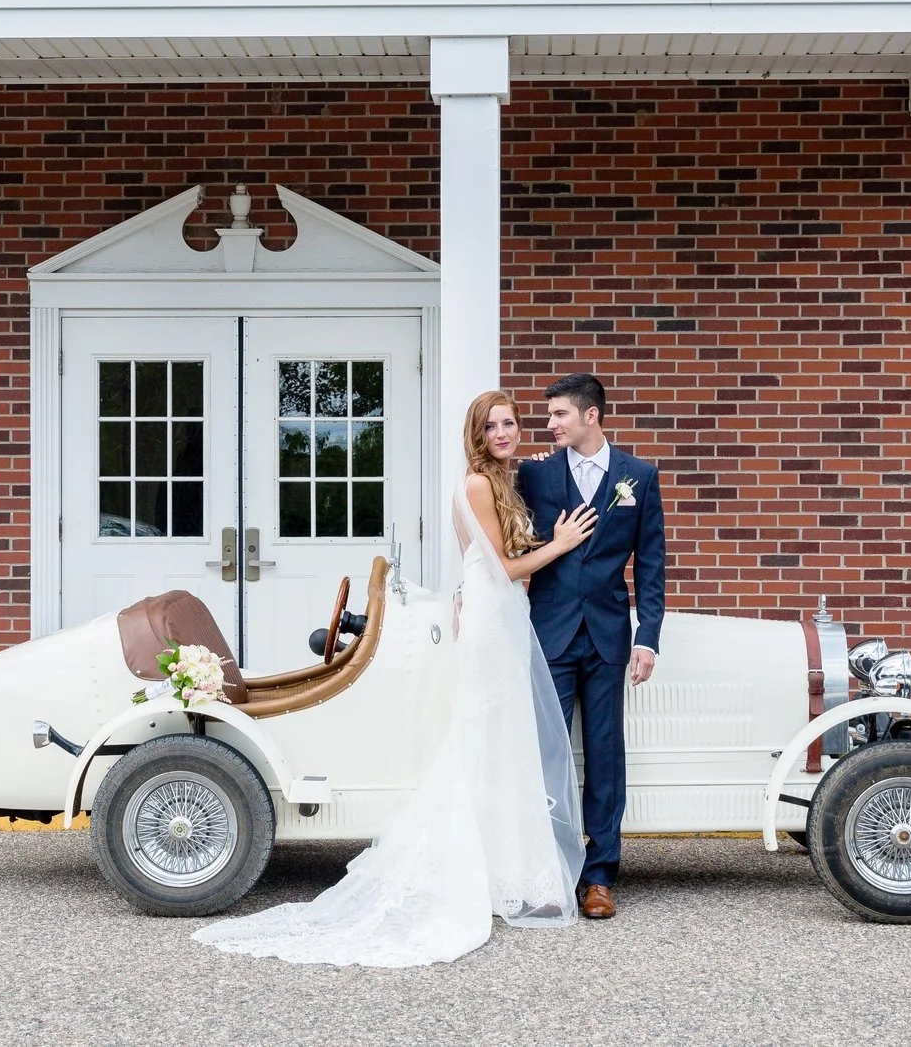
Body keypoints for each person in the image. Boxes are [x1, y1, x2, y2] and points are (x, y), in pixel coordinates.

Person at [192, 391, 594, 967]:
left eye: (510, 423)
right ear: (476, 434)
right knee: (487, 738)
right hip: (492, 616)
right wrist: (559, 545)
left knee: (500, 741)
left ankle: (501, 864)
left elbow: (486, 562)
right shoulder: (479, 484)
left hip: (496, 611)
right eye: (492, 426)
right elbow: (503, 568)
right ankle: (485, 867)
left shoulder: (499, 479)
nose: (504, 433)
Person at [517, 372, 667, 920]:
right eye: (549, 415)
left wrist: (647, 637)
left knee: (605, 757)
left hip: (608, 638)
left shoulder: (639, 478)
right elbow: (501, 539)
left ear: (591, 416)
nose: (550, 423)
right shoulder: (534, 476)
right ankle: (551, 869)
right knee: (547, 757)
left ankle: (600, 876)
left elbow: (652, 565)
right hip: (550, 633)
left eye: (559, 414)